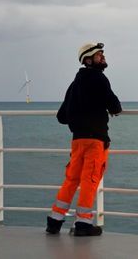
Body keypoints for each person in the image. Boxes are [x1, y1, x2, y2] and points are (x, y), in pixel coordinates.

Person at [46, 42, 122, 236]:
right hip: (95, 140)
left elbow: (61, 116)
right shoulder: (99, 79)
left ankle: (54, 221)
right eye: (99, 55)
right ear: (88, 60)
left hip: (77, 140)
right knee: (89, 180)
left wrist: (79, 118)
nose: (103, 57)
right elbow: (115, 107)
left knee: (71, 179)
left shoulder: (75, 83)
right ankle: (83, 224)